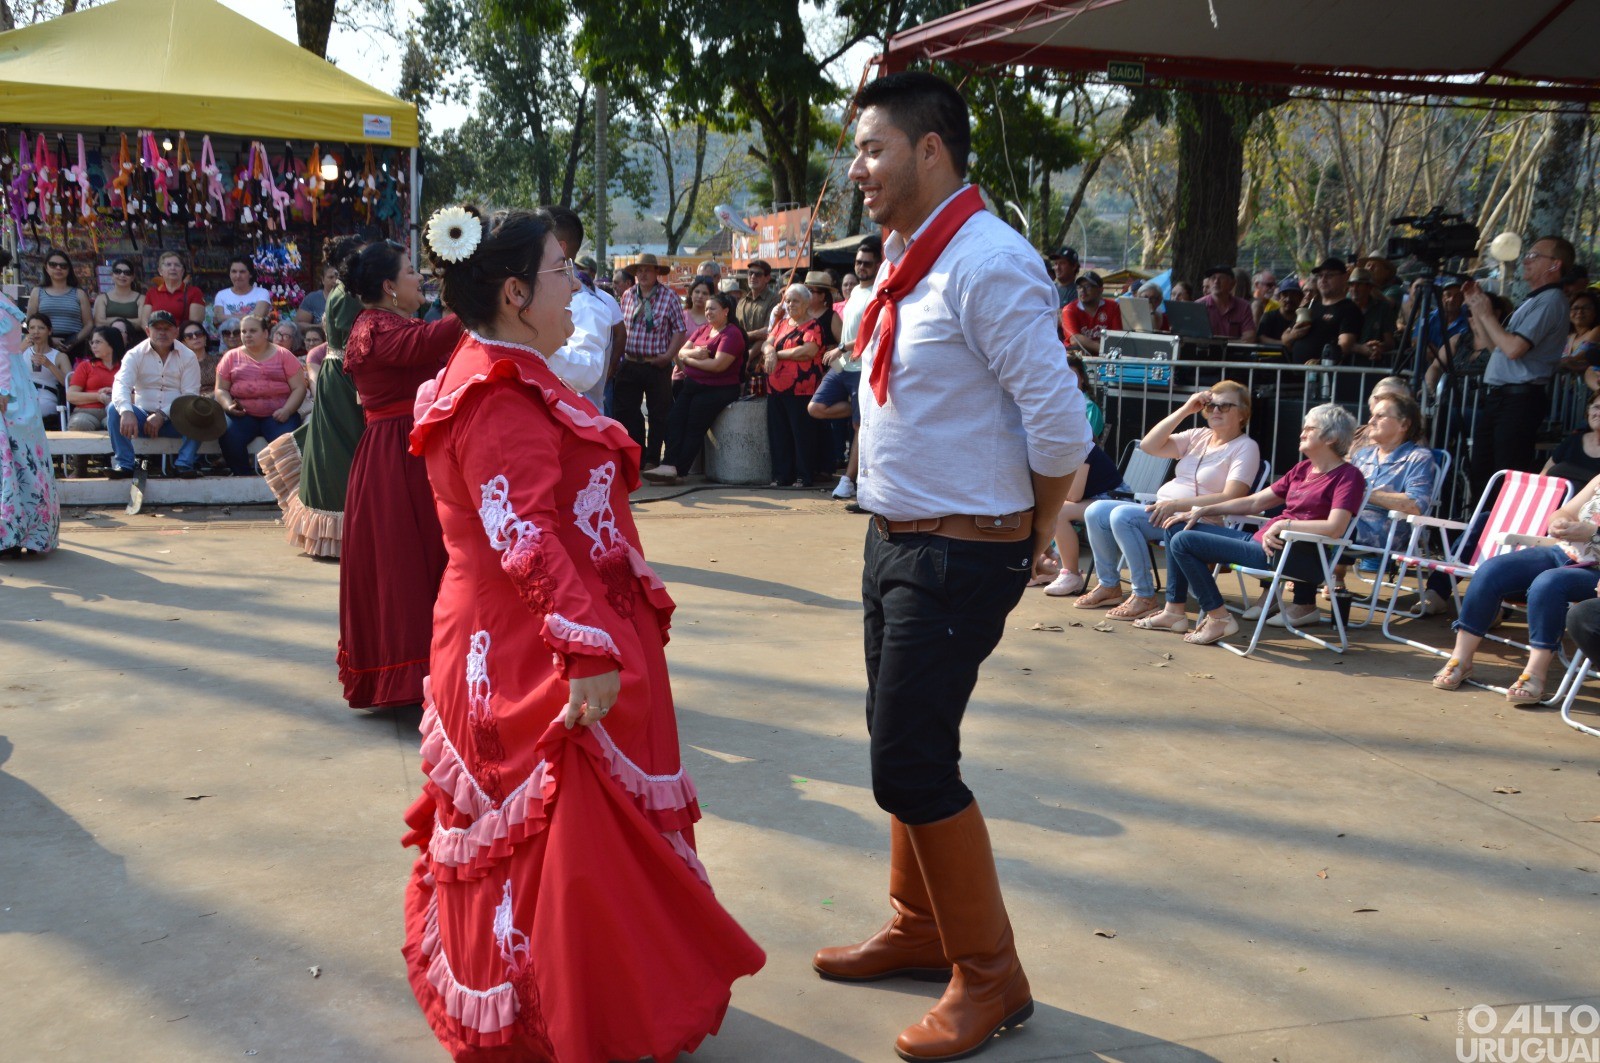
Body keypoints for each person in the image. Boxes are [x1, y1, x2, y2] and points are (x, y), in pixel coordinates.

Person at [402, 204, 764, 1061]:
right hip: (527, 645)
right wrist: (585, 646)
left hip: (528, 628)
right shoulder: (497, 390)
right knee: (560, 837)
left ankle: (601, 998)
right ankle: (567, 1013)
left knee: (574, 840)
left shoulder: (506, 366)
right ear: (519, 292)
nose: (579, 285)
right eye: (565, 271)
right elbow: (519, 531)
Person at [815, 70, 1091, 1063]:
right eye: (857, 151)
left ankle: (991, 975)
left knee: (911, 759)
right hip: (893, 538)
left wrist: (1029, 534)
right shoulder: (906, 255)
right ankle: (922, 926)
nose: (859, 171)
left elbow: (1063, 428)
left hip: (959, 550)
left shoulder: (987, 262)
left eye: (873, 149)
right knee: (903, 746)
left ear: (931, 150)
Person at [337, 240, 463, 709]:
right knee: (406, 563)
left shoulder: (386, 323)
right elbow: (430, 343)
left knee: (418, 560)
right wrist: (477, 300)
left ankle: (431, 672)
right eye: (412, 272)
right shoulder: (376, 328)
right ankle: (412, 677)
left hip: (405, 450)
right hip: (395, 456)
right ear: (389, 286)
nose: (419, 279)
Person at [1134, 403, 1365, 641]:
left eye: (1310, 428)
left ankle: (1219, 618)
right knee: (1176, 527)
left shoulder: (1348, 476)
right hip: (1264, 542)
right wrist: (1201, 510)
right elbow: (1254, 503)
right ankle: (1174, 612)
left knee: (1184, 541)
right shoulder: (1303, 469)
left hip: (1295, 553)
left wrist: (1282, 526)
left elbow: (1335, 528)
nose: (1302, 433)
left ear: (1331, 437)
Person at [1075, 383, 1260, 620]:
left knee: (1122, 516)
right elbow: (1149, 445)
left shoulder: (1245, 447)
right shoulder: (1198, 436)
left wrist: (1177, 505)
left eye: (1225, 406)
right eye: (1211, 404)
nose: (1216, 410)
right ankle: (1109, 585)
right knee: (1096, 510)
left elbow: (1232, 496)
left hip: (1197, 521)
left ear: (1243, 412)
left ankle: (1144, 595)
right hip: (1162, 512)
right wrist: (1185, 410)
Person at [1431, 471, 1600, 706]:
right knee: (1491, 570)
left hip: (1595, 569)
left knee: (1548, 583)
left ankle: (1536, 673)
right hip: (1563, 551)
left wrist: (1593, 533)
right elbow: (1566, 511)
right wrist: (1558, 522)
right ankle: (1461, 659)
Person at [256, 236, 366, 560]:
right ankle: (346, 531)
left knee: (340, 448)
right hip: (346, 378)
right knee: (343, 451)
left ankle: (346, 531)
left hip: (342, 376)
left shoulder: (344, 291)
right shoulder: (351, 294)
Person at [1463, 235, 1575, 492]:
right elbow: (1497, 349)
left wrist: (1488, 314)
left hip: (1519, 400)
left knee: (1506, 475)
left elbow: (1514, 348)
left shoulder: (1551, 301)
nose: (1526, 260)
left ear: (1555, 265)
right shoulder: (1534, 300)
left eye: (1535, 255)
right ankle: (1483, 525)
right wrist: (1478, 311)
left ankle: (1502, 529)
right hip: (1501, 398)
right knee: (1483, 471)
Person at [646, 291, 746, 484]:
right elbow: (682, 352)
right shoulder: (704, 329)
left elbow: (718, 366)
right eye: (707, 308)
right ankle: (669, 465)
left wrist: (690, 360)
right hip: (692, 385)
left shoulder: (732, 334)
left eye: (713, 308)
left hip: (718, 389)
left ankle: (679, 472)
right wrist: (694, 357)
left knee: (693, 425)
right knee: (674, 420)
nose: (708, 312)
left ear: (726, 311)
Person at [810, 235, 882, 501]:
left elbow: (873, 333)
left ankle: (847, 480)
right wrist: (839, 352)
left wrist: (841, 348)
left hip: (864, 366)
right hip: (844, 364)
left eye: (866, 263)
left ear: (877, 265)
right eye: (858, 262)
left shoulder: (877, 293)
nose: (861, 267)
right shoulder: (855, 293)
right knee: (815, 407)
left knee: (858, 428)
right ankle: (860, 415)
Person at [0, 266, 59, 555]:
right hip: (16, 389)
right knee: (20, 461)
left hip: (8, 391)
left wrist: (1, 392)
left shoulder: (2, 308)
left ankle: (15, 535)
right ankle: (24, 534)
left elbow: (2, 355)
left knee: (15, 461)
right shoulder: (6, 306)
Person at [106, 311, 203, 479]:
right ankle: (125, 464)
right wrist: (127, 411)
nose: (162, 333)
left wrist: (162, 414)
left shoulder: (188, 356)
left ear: (176, 332)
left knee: (197, 409)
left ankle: (184, 464)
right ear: (147, 331)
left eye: (167, 328)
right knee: (114, 408)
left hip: (177, 420)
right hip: (142, 419)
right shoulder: (134, 354)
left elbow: (190, 395)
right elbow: (121, 384)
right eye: (157, 328)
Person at [544, 204, 621, 411]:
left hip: (580, 426)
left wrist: (532, 350)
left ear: (559, 248)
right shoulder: (544, 299)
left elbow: (586, 370)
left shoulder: (586, 305)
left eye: (535, 243)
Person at [615, 253, 687, 469]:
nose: (643, 274)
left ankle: (653, 458)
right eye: (639, 270)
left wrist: (668, 356)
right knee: (627, 411)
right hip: (630, 361)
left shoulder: (669, 296)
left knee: (658, 413)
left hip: (657, 363)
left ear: (657, 273)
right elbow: (620, 328)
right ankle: (638, 454)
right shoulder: (627, 295)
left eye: (647, 270)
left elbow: (679, 330)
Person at [213, 315, 306, 477]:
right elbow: (221, 389)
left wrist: (287, 410)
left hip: (279, 414)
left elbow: (299, 388)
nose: (247, 335)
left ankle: (285, 485)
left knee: (287, 445)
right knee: (228, 434)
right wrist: (228, 405)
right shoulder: (230, 357)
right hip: (242, 415)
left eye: (252, 331)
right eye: (243, 331)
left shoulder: (284, 355)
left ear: (265, 333)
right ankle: (242, 477)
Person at [1036, 442, 1130, 596]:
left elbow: (1074, 495)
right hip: (1093, 500)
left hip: (1116, 500)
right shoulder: (1051, 448)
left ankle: (1071, 575)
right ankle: (1043, 566)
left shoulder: (1080, 447)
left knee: (1058, 512)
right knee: (1042, 506)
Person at [761, 283, 825, 488]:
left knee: (801, 434)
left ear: (806, 304)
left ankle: (803, 476)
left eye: (795, 301)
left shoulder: (813, 325)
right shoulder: (782, 323)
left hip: (801, 389)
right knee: (779, 434)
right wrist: (769, 351)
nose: (789, 304)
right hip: (775, 387)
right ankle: (781, 475)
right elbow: (766, 342)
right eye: (787, 300)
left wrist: (776, 354)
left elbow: (807, 350)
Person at [1282, 258, 1361, 364]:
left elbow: (1345, 344)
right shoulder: (1309, 306)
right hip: (1296, 373)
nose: (1323, 279)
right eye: (1320, 276)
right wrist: (1294, 335)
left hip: (1326, 375)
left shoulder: (1350, 309)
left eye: (1329, 275)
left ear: (1344, 278)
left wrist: (1321, 363)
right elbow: (1284, 337)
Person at [26, 250, 92, 351]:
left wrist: (73, 341)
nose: (58, 268)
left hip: (74, 344)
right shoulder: (37, 292)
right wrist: (49, 339)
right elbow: (30, 321)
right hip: (44, 344)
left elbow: (89, 324)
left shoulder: (79, 293)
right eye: (53, 265)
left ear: (69, 269)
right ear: (46, 268)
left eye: (63, 266)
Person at [66, 326, 123, 432]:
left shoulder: (126, 367)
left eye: (98, 342)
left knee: (120, 424)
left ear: (112, 342)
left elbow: (138, 396)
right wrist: (98, 397)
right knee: (80, 423)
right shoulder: (85, 366)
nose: (93, 346)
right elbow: (71, 396)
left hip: (117, 410)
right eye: (92, 343)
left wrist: (114, 394)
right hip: (86, 412)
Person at [1544, 391, 1600, 489]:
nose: (1598, 413)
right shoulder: (1573, 440)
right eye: (1596, 407)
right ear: (1588, 410)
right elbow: (1542, 476)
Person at [20, 315, 67, 430]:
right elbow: (6, 368)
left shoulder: (59, 356)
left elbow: (68, 383)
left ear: (49, 331)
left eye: (41, 328)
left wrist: (49, 365)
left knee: (36, 408)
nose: (36, 332)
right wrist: (21, 348)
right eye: (32, 328)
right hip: (23, 393)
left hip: (46, 396)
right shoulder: (21, 351)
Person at [1061, 270, 1121, 355]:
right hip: (1077, 360)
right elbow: (1075, 339)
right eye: (1079, 287)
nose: (1082, 290)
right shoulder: (1069, 310)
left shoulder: (1113, 306)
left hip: (1105, 358)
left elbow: (1116, 337)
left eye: (1088, 286)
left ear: (1100, 290)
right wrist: (1104, 349)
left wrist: (1086, 343)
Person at [141, 251, 205, 327]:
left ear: (182, 271)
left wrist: (172, 336)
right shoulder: (152, 293)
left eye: (177, 265)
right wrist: (153, 335)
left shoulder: (194, 292)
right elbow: (145, 321)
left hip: (182, 337)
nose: (173, 268)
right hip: (157, 337)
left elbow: (195, 322)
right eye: (168, 265)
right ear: (160, 271)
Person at [1348, 266, 1397, 364]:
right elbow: (1335, 341)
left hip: (1373, 365)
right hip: (1345, 364)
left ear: (1369, 287)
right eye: (1351, 285)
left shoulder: (1382, 308)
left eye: (1359, 284)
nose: (1354, 289)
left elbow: (1390, 342)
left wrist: (1378, 347)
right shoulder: (1344, 307)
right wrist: (1359, 348)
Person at [1197, 265, 1257, 341]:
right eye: (1213, 278)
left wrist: (1226, 346)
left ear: (1232, 283)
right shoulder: (1198, 306)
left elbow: (1250, 337)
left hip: (1234, 351)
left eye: (1221, 278)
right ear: (1208, 283)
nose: (1216, 281)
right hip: (1205, 351)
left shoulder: (1243, 306)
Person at [735, 258, 781, 348]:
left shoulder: (774, 300)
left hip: (763, 355)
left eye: (758, 274)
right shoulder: (741, 302)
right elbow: (734, 331)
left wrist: (743, 336)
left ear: (767, 278)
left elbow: (768, 332)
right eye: (750, 273)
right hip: (740, 354)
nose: (753, 277)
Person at [212, 256, 272, 322]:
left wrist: (228, 317)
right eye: (234, 271)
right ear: (229, 274)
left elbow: (257, 317)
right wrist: (248, 316)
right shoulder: (221, 295)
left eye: (242, 272)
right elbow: (218, 319)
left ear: (251, 274)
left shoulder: (262, 293)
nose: (238, 276)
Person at [93, 258, 145, 327]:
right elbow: (99, 323)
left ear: (132, 277)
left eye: (127, 273)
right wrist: (125, 320)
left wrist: (114, 320)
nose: (122, 275)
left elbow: (142, 323)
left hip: (136, 337)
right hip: (108, 337)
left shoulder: (142, 299)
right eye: (117, 271)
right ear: (112, 275)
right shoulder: (101, 298)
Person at [1558, 289, 1600, 373]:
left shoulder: (1597, 330)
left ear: (1595, 312)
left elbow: (1581, 356)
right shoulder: (1568, 336)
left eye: (1586, 308)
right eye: (1575, 308)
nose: (1580, 312)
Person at [1258, 278, 1304, 345]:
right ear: (1279, 298)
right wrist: (1284, 343)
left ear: (1300, 298)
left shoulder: (1303, 318)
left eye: (1293, 295)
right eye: (1285, 295)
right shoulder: (1269, 316)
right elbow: (1261, 338)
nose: (1288, 299)